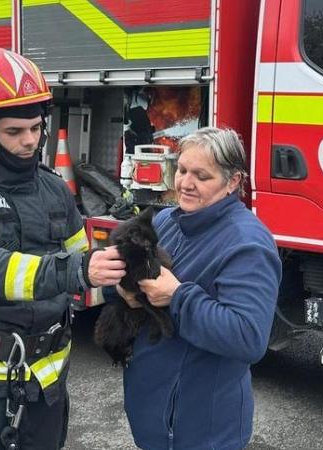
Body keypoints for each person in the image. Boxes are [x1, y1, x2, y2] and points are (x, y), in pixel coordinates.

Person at [0, 48, 125, 450]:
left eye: (36, 127)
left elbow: (83, 263)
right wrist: (77, 270)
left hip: (47, 386)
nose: (30, 140)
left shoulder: (53, 189)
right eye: (14, 131)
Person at [114, 127, 281, 450]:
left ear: (232, 182)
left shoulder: (247, 244)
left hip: (202, 429)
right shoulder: (166, 222)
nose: (185, 184)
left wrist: (178, 296)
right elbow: (136, 288)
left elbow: (247, 336)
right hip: (156, 418)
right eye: (182, 170)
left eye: (201, 176)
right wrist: (122, 292)